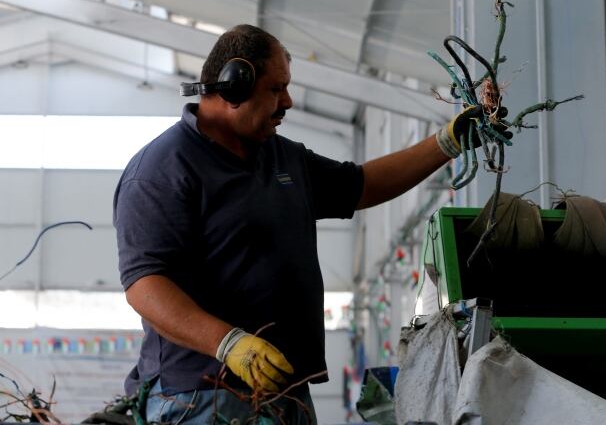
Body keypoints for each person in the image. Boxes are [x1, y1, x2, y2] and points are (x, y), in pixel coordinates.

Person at [113, 24, 485, 424]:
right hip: (200, 398)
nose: (287, 101)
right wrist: (229, 344)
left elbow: (360, 184)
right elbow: (145, 285)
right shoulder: (163, 170)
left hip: (285, 390)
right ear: (234, 85)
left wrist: (448, 142)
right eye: (276, 89)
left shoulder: (280, 157)